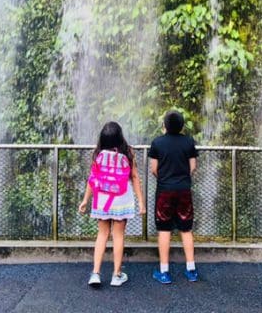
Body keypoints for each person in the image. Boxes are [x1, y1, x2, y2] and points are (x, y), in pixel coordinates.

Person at [79, 121, 145, 288]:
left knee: (102, 234)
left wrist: (85, 200)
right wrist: (141, 202)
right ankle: (116, 275)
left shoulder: (98, 154)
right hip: (121, 199)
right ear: (120, 137)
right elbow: (135, 178)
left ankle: (95, 273)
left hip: (102, 199)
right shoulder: (128, 152)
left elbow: (92, 179)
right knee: (118, 236)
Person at [148, 109, 198, 284]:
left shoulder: (157, 143)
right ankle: (191, 269)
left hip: (164, 191)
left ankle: (164, 271)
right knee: (186, 229)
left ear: (164, 125)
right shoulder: (189, 142)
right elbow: (193, 166)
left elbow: (154, 169)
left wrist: (165, 179)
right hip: (184, 190)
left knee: (164, 230)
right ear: (182, 125)